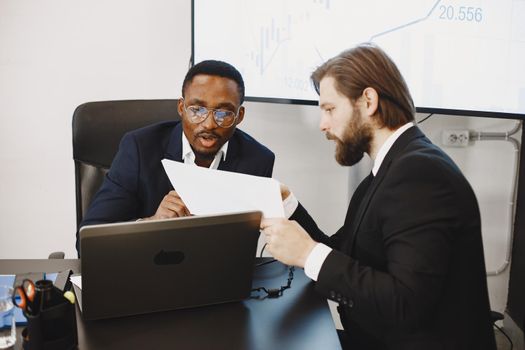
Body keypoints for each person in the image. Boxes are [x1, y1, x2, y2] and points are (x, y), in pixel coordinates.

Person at [261, 44, 496, 350]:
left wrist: (308, 254)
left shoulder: (419, 174)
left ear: (368, 101)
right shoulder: (392, 167)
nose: (323, 124)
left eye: (330, 109)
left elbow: (405, 303)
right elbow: (343, 253)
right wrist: (289, 204)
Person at [77, 60, 275, 253]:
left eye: (223, 113)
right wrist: (152, 223)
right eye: (197, 110)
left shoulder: (258, 161)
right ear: (181, 108)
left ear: (239, 116)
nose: (208, 124)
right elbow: (89, 240)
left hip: (216, 275)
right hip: (148, 266)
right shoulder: (139, 148)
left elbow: (241, 250)